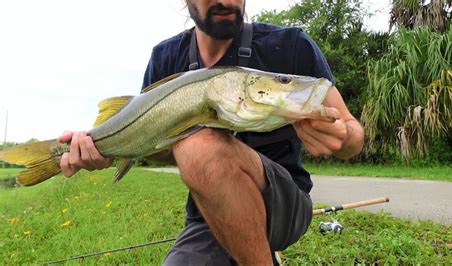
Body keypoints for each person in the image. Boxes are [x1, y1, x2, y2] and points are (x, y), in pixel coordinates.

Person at [58, 0, 364, 264]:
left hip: (285, 206)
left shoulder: (290, 45)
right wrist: (106, 152)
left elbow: (352, 133)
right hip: (208, 216)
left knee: (198, 145)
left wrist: (342, 137)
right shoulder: (165, 58)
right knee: (194, 147)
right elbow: (160, 152)